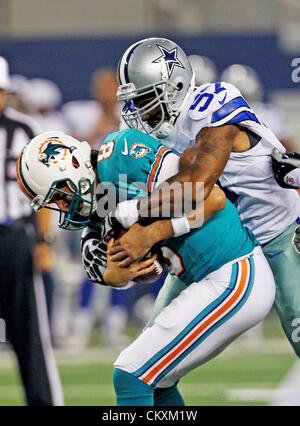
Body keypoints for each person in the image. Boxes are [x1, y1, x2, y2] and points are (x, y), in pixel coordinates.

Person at [16, 128, 275, 405]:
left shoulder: (120, 155)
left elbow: (212, 198)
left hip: (234, 271)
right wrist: (121, 274)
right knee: (156, 382)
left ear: (72, 163)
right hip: (207, 278)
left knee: (131, 372)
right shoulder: (96, 215)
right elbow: (119, 273)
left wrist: (150, 232)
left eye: (61, 195)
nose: (64, 207)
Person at [107, 37, 300, 361]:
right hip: (217, 244)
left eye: (146, 100)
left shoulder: (212, 104)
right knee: (145, 356)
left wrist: (131, 213)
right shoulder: (145, 131)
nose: (140, 112)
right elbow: (117, 188)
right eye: (134, 103)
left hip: (275, 235)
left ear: (176, 86)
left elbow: (196, 185)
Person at [0, 56, 63, 405]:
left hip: (14, 239)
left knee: (31, 336)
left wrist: (45, 240)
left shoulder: (25, 130)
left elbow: (45, 191)